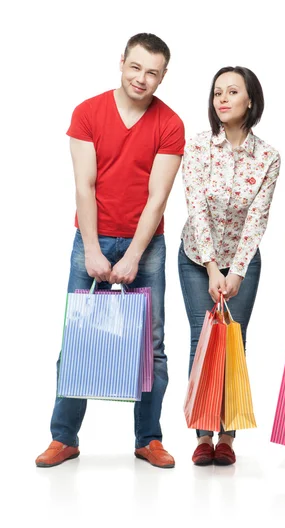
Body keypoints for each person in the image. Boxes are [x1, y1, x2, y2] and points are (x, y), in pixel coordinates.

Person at [35, 33, 185, 469]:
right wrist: (93, 250)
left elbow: (158, 197)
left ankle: (149, 439)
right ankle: (63, 438)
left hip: (146, 244)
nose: (142, 79)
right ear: (122, 62)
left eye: (152, 72)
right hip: (92, 240)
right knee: (76, 338)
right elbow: (85, 185)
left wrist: (134, 255)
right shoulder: (87, 113)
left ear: (162, 76)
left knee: (152, 347)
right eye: (135, 67)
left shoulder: (169, 124)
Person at [178, 66, 280, 466]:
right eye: (217, 91)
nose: (222, 98)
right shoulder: (198, 146)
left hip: (242, 263)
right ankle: (203, 434)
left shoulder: (269, 157)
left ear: (249, 100)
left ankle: (228, 436)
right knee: (200, 340)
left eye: (232, 91)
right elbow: (197, 208)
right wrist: (211, 267)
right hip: (196, 258)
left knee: (233, 340)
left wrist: (235, 270)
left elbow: (258, 217)